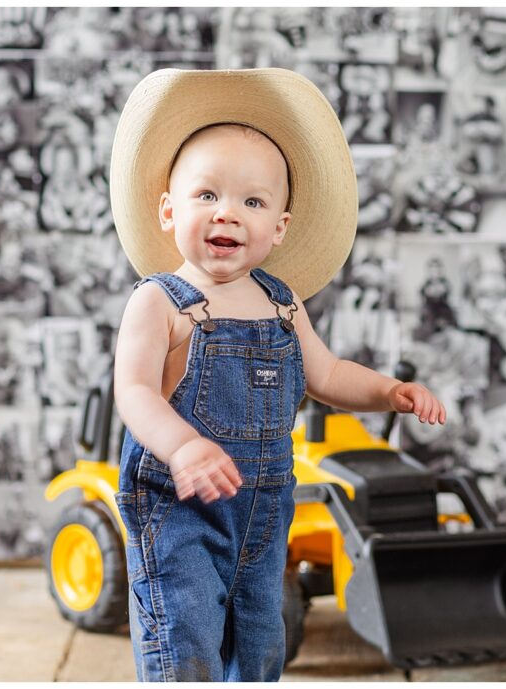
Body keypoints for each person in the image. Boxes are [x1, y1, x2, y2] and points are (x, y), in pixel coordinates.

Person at [109, 68, 447, 682]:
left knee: (263, 644)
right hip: (179, 514)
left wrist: (387, 393)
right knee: (184, 638)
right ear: (168, 209)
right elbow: (132, 391)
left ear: (280, 226)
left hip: (264, 516)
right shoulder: (161, 302)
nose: (228, 215)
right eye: (207, 195)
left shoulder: (282, 302)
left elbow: (327, 373)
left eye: (252, 202)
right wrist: (183, 445)